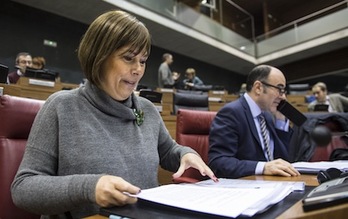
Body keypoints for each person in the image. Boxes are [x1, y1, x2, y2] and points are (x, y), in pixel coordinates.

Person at [11, 10, 217, 219]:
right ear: (98, 57)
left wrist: (185, 154)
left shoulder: (146, 109)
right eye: (128, 58)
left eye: (143, 60)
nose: (138, 69)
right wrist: (89, 187)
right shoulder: (61, 107)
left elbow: (168, 151)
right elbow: (23, 188)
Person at [208, 65, 300, 179]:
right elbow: (219, 163)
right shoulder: (231, 113)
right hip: (245, 188)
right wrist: (263, 167)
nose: (283, 97)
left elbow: (282, 160)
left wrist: (280, 121)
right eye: (279, 89)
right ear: (258, 88)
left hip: (273, 184)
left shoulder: (267, 116)